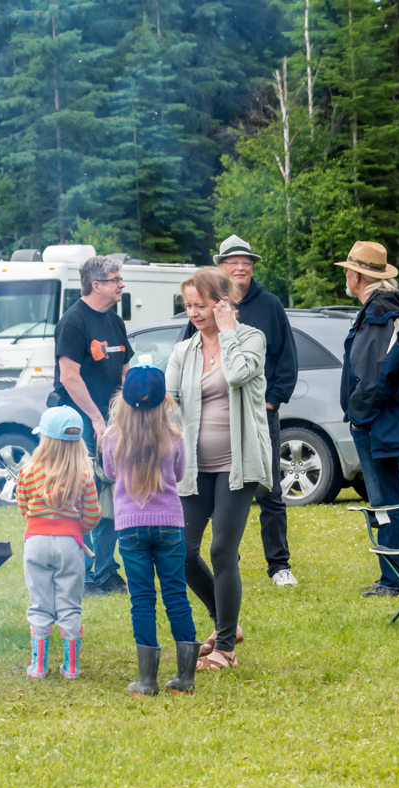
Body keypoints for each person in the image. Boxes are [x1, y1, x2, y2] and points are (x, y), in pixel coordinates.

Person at [165, 267, 272, 671]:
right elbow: (168, 400)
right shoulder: (184, 351)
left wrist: (227, 332)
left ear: (222, 303)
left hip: (237, 464)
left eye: (200, 305)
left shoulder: (251, 339)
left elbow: (239, 373)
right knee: (181, 551)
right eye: (188, 305)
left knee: (222, 550)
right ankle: (227, 623)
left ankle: (225, 648)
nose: (193, 313)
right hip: (194, 467)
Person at [203, 235, 299, 588]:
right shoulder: (210, 305)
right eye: (234, 262)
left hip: (259, 415)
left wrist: (273, 400)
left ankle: (279, 565)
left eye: (247, 262)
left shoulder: (270, 305)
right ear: (221, 268)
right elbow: (191, 349)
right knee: (220, 492)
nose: (241, 267)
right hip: (219, 416)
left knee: (269, 491)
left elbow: (286, 358)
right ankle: (227, 561)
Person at [338, 242, 399, 598]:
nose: (346, 277)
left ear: (358, 276)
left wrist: (358, 417)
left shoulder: (379, 312)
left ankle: (397, 581)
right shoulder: (384, 309)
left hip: (378, 421)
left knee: (387, 501)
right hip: (385, 419)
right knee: (391, 498)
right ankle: (396, 576)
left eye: (348, 271)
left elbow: (376, 375)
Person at [102, 364, 200, 696]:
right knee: (176, 594)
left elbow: (110, 473)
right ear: (164, 401)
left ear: (123, 401)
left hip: (130, 527)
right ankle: (185, 677)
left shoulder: (112, 437)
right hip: (169, 525)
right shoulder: (174, 436)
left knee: (142, 599)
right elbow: (180, 473)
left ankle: (146, 680)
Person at [52, 256, 134, 596]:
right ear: (96, 285)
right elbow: (69, 377)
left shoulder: (114, 321)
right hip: (80, 421)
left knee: (110, 493)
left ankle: (106, 570)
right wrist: (97, 421)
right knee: (82, 495)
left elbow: (126, 368)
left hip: (113, 420)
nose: (121, 284)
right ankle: (83, 574)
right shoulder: (73, 323)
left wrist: (126, 413)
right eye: (116, 279)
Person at [16, 406, 101, 680]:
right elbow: (92, 516)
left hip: (36, 543)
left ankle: (38, 667)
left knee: (40, 603)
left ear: (44, 439)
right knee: (69, 604)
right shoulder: (83, 474)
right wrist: (76, 528)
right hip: (69, 545)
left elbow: (24, 508)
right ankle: (71, 668)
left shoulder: (27, 471)